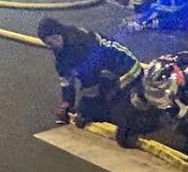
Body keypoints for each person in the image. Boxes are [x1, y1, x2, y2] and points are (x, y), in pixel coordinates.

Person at [37, 17, 154, 146]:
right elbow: (66, 78)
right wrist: (67, 102)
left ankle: (144, 118)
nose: (53, 44)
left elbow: (90, 84)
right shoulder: (60, 50)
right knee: (92, 106)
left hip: (127, 72)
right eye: (49, 43)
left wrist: (87, 113)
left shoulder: (80, 45)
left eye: (54, 39)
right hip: (105, 73)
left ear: (59, 33)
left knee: (118, 114)